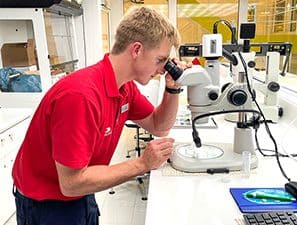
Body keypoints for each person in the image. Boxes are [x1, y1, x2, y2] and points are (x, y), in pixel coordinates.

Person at [12, 6, 186, 225]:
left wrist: (173, 89)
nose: (163, 69)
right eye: (160, 60)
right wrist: (142, 163)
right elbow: (71, 183)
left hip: (80, 194)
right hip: (47, 205)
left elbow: (159, 127)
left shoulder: (124, 88)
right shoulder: (80, 96)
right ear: (136, 50)